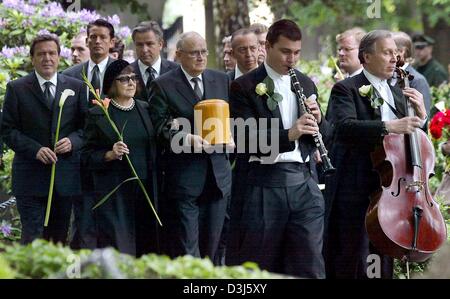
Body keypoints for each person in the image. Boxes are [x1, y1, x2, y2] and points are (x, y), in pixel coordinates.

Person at [228, 19, 330, 278]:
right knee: (262, 265)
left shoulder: (306, 83)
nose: (292, 59)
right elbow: (245, 138)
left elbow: (327, 135)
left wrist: (320, 121)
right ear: (268, 46)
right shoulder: (244, 86)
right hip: (263, 183)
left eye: (296, 52)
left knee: (310, 263)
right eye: (285, 52)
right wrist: (290, 133)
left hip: (304, 183)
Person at [325, 30, 427, 279]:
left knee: (382, 259)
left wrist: (421, 116)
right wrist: (390, 126)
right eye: (387, 52)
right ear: (366, 57)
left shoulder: (396, 93)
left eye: (395, 52)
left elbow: (410, 138)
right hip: (356, 187)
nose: (395, 57)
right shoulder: (345, 88)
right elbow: (343, 127)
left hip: (390, 189)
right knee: (352, 256)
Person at [149, 32, 232, 262]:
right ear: (179, 55)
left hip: (218, 177)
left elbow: (232, 119)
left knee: (213, 247)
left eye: (204, 51)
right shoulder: (163, 85)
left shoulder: (221, 80)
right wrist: (186, 138)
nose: (200, 57)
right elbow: (160, 127)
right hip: (185, 178)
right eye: (194, 52)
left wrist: (233, 136)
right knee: (188, 249)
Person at [1, 34, 87, 245]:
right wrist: (35, 150)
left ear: (59, 57)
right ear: (32, 58)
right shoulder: (17, 88)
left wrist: (73, 142)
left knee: (57, 240)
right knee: (32, 238)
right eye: (41, 54)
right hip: (30, 179)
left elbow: (87, 128)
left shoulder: (77, 87)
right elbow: (7, 130)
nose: (47, 58)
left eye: (51, 53)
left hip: (64, 178)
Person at [82, 59, 159, 257]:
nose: (131, 83)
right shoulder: (99, 113)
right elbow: (86, 156)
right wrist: (109, 154)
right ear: (111, 84)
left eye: (133, 78)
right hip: (115, 193)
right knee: (120, 249)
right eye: (124, 79)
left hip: (147, 190)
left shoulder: (145, 109)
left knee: (147, 246)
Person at [63, 19, 116, 250]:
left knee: (113, 225)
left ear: (111, 41)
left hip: (114, 159)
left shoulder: (124, 71)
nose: (97, 41)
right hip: (80, 161)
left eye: (102, 37)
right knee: (83, 224)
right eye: (92, 37)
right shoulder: (70, 75)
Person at [130, 21, 178, 102]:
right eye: (140, 45)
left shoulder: (176, 71)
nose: (144, 50)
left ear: (160, 44)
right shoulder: (126, 72)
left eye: (149, 44)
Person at [392, 31, 432, 118]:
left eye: (391, 51)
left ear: (401, 51)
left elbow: (425, 116)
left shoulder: (418, 80)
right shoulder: (386, 76)